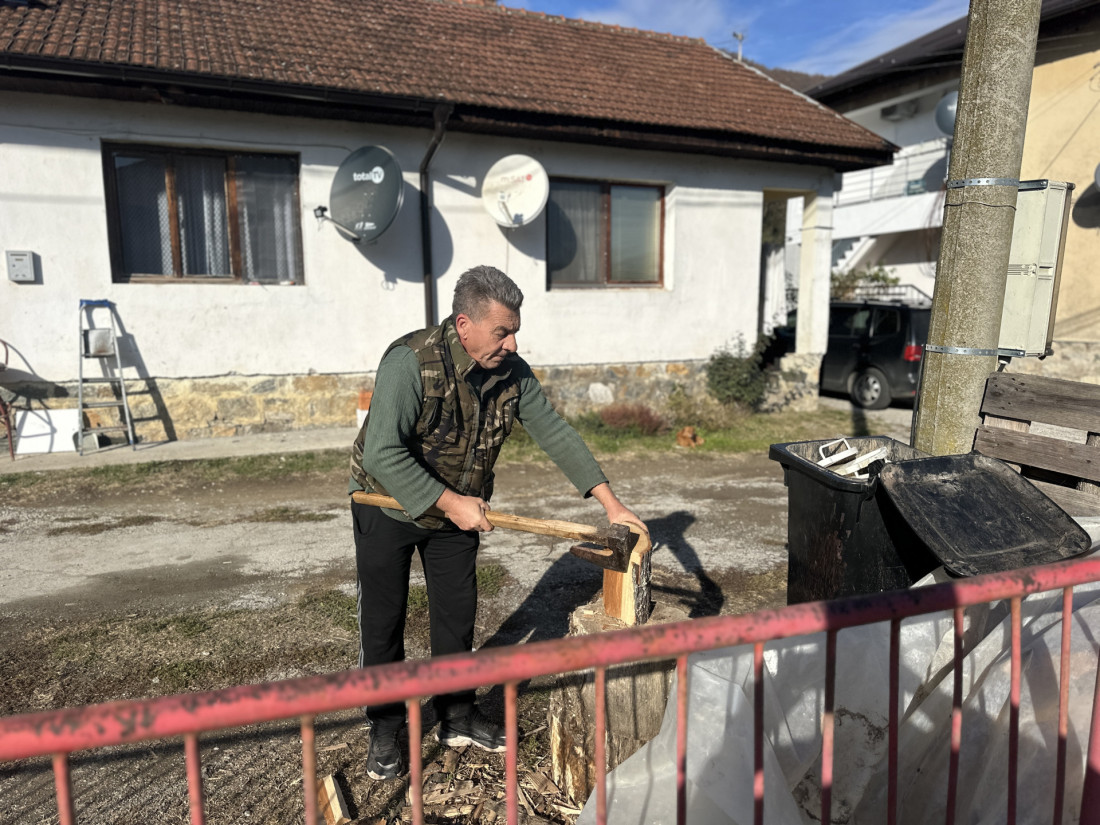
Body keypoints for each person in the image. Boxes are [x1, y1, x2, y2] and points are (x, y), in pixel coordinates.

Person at [348, 264, 647, 780]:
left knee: (456, 616)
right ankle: (385, 725)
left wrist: (610, 503)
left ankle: (456, 715)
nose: (511, 343)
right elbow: (381, 452)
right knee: (384, 620)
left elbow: (554, 431)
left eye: (515, 331)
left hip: (459, 512)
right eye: (501, 331)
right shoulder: (410, 362)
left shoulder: (512, 372)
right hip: (387, 505)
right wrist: (449, 501)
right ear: (464, 325)